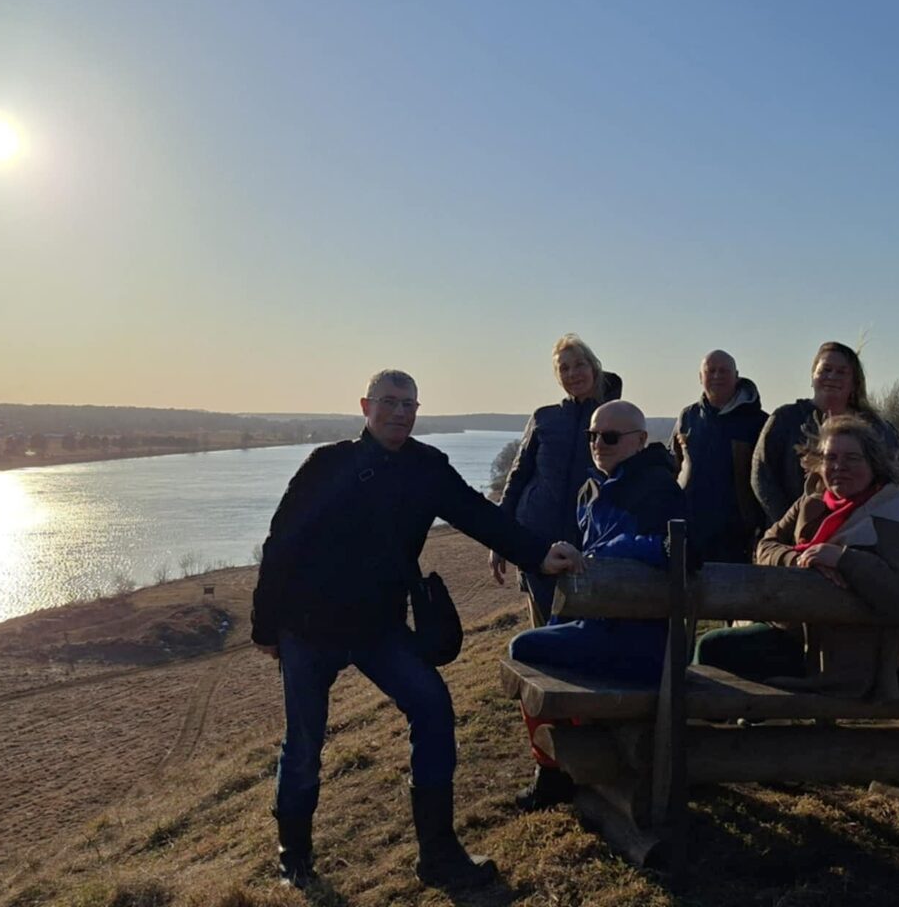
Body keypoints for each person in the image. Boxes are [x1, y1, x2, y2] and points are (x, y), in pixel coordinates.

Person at [250, 369, 582, 889]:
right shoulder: (327, 464)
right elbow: (280, 544)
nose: (399, 413)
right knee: (305, 741)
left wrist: (539, 554)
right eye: (389, 402)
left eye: (409, 404)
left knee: (432, 708)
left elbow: (479, 516)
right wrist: (265, 627)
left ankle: (439, 855)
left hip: (378, 628)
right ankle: (294, 857)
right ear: (366, 406)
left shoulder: (427, 468)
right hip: (308, 627)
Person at [506, 400, 686, 809]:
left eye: (610, 437)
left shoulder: (658, 489)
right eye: (592, 436)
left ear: (640, 441)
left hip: (641, 641)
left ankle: (554, 771)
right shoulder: (590, 490)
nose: (598, 444)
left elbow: (676, 549)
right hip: (599, 626)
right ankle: (572, 760)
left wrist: (603, 553)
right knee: (536, 645)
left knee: (525, 650)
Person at [699, 414, 899, 699]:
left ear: (874, 463)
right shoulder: (812, 502)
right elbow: (767, 544)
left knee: (714, 649)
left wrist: (844, 560)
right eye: (830, 458)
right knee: (712, 648)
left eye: (852, 458)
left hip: (846, 664)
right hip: (792, 634)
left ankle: (707, 724)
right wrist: (800, 560)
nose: (839, 466)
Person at [490, 334, 622, 625]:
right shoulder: (544, 418)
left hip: (590, 545)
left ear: (594, 367)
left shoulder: (612, 418)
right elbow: (517, 478)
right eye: (564, 368)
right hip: (537, 542)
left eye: (579, 365)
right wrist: (499, 538)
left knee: (586, 633)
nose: (573, 373)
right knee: (542, 635)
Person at [751, 341, 899, 525]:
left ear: (855, 382)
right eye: (826, 370)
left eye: (841, 372)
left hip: (861, 532)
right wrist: (792, 526)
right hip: (796, 534)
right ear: (812, 376)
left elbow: (890, 482)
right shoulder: (785, 419)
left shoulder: (878, 429)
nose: (832, 376)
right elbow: (762, 477)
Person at [670, 349, 767, 565]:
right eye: (710, 371)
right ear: (700, 377)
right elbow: (674, 466)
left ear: (736, 376)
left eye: (724, 371)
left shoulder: (758, 422)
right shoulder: (688, 417)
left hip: (738, 535)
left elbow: (768, 479)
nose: (717, 376)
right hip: (692, 528)